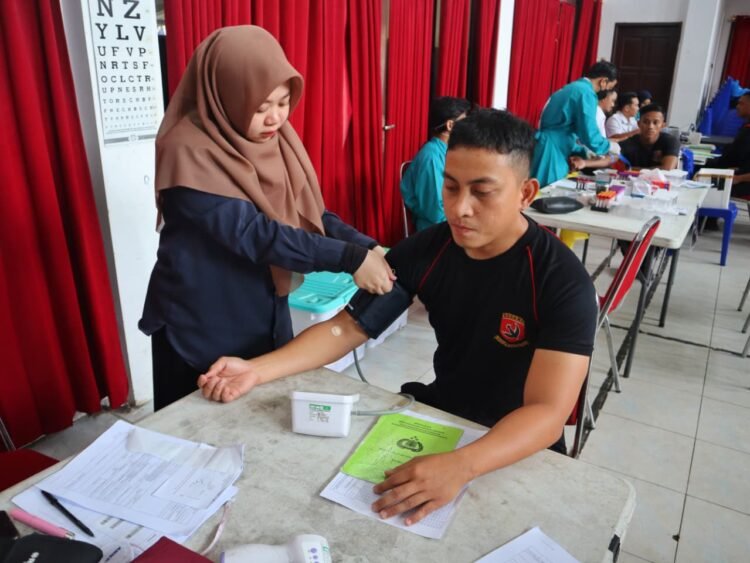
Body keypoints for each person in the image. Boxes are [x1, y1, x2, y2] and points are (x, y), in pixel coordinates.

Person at [198, 109, 598, 526]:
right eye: (451, 187)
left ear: (526, 193)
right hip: (443, 420)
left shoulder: (560, 281)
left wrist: (462, 465)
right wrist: (255, 370)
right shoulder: (429, 250)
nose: (460, 208)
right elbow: (347, 328)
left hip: (516, 446)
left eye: (482, 192)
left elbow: (547, 413)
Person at [139, 26, 394, 410]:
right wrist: (350, 258)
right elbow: (254, 234)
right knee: (198, 423)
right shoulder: (187, 150)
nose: (275, 118)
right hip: (201, 319)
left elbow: (309, 214)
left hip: (264, 308)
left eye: (283, 102)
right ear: (227, 95)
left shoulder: (276, 141)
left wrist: (367, 245)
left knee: (261, 412)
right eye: (260, 107)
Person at [531, 60, 619, 187]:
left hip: (549, 145)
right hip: (552, 151)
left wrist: (583, 151)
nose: (606, 91)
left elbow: (565, 129)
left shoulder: (573, 88)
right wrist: (608, 146)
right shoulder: (586, 93)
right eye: (609, 87)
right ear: (603, 81)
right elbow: (589, 132)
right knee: (547, 191)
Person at [400, 97, 472, 231]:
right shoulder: (431, 158)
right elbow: (435, 212)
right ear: (450, 125)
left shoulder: (449, 152)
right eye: (464, 122)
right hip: (437, 230)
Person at [703, 92, 750, 197]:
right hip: (732, 171)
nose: (737, 107)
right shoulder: (746, 127)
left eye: (741, 104)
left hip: (741, 184)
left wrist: (739, 178)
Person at [619, 104, 680, 170]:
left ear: (663, 125)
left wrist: (632, 169)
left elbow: (667, 168)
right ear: (638, 124)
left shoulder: (671, 141)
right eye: (646, 122)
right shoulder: (627, 144)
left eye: (655, 122)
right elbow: (618, 168)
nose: (650, 126)